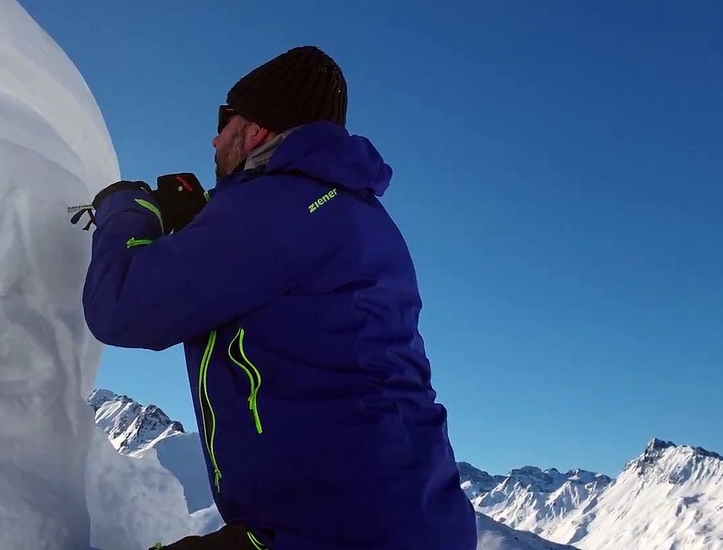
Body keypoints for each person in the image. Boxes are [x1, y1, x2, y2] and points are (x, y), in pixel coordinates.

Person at [82, 47, 477, 550]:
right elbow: (278, 275)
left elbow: (122, 309)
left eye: (226, 122)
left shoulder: (277, 209)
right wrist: (207, 227)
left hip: (336, 532)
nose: (214, 137)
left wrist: (127, 209)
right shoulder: (348, 209)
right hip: (402, 522)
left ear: (257, 132)